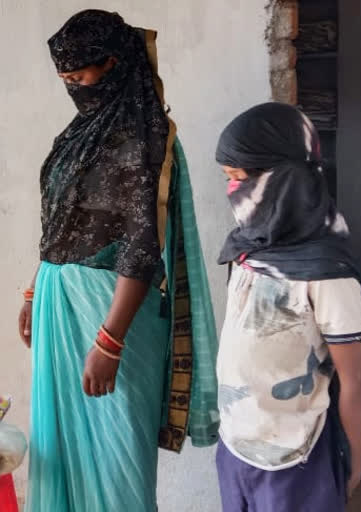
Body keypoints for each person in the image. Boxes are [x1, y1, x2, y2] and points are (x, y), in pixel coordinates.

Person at [20, 10, 219, 511]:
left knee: (117, 467)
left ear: (113, 63)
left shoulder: (143, 139)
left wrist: (110, 342)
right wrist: (32, 290)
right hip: (60, 304)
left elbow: (140, 245)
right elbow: (62, 224)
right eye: (63, 76)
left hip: (111, 317)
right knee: (64, 451)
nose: (71, 84)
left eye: (79, 73)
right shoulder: (79, 134)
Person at [215, 102, 361, 511]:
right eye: (227, 179)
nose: (232, 191)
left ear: (286, 181)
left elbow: (356, 379)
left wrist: (353, 464)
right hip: (235, 448)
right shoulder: (247, 251)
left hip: (297, 461)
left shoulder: (326, 275)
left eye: (240, 178)